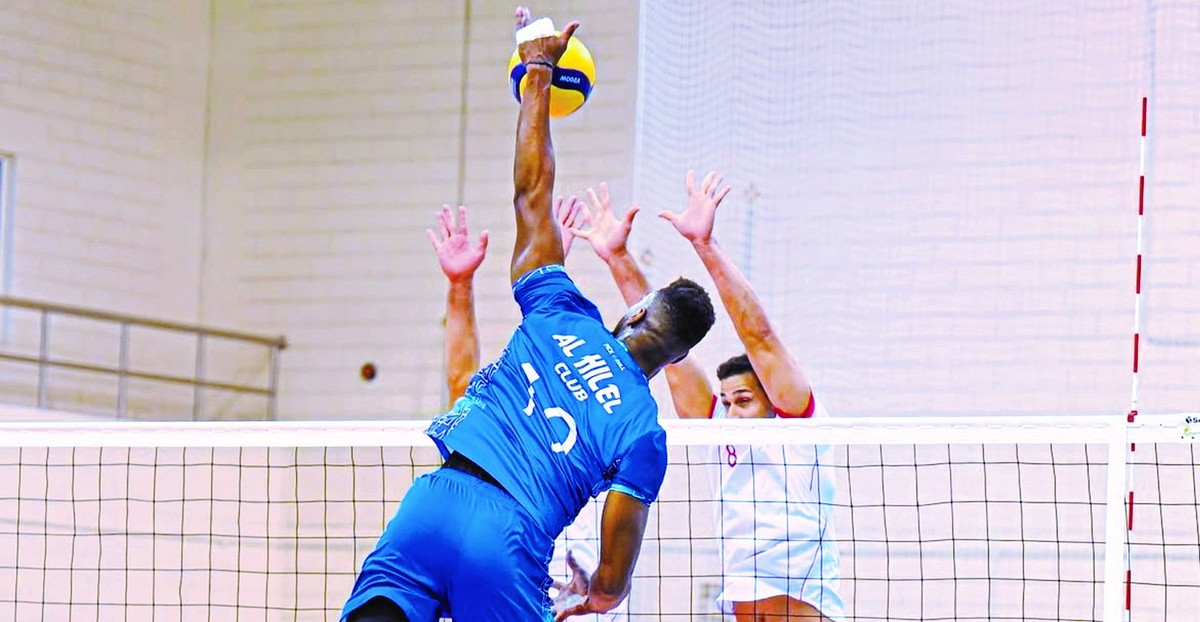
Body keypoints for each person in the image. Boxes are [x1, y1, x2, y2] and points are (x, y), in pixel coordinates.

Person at [340, 8, 716, 622]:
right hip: (507, 540)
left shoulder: (561, 311)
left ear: (637, 310)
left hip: (433, 504)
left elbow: (531, 193)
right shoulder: (644, 433)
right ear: (678, 358)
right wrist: (592, 596)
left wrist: (537, 69)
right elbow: (612, 582)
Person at [571, 173, 844, 621]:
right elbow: (665, 342)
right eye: (727, 402)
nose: (731, 412)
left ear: (774, 404)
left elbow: (760, 337)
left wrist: (705, 245)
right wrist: (618, 258)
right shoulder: (721, 437)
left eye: (744, 401)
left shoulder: (799, 433)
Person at [424, 199, 629, 622]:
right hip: (502, 584)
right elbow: (462, 384)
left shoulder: (623, 434)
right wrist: (460, 285)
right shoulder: (517, 424)